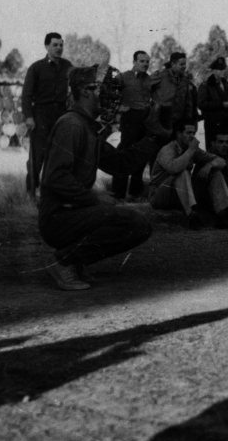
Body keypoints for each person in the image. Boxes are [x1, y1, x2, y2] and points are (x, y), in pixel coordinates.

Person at [38, 65, 159, 291]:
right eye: (104, 89)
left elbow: (120, 164)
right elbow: (56, 177)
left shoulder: (85, 126)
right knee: (134, 223)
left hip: (69, 214)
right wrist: (95, 199)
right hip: (58, 217)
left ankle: (72, 261)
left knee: (136, 223)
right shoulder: (72, 125)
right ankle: (65, 262)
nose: (112, 96)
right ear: (85, 91)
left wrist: (152, 136)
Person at [148, 118, 228, 230]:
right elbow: (174, 168)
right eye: (188, 133)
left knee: (215, 172)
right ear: (179, 134)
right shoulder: (167, 150)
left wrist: (210, 165)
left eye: (193, 133)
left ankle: (222, 216)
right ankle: (192, 217)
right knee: (183, 172)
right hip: (159, 195)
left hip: (180, 194)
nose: (192, 136)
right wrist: (190, 150)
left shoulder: (192, 149)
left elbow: (221, 161)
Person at [22, 32, 73, 195]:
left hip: (61, 115)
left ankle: (52, 193)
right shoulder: (36, 68)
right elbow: (26, 95)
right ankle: (31, 193)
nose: (59, 48)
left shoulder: (67, 66)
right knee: (38, 156)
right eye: (55, 45)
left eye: (61, 45)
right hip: (41, 115)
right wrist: (29, 117)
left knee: (59, 156)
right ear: (46, 46)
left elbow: (76, 87)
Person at [112, 50, 152, 201]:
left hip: (145, 119)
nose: (145, 64)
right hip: (130, 118)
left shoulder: (149, 79)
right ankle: (118, 194)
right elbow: (106, 94)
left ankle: (135, 194)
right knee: (125, 154)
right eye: (142, 61)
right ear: (134, 62)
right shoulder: (123, 77)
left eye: (147, 62)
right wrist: (118, 108)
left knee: (141, 156)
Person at [147, 52, 192, 143]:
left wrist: (188, 119)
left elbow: (188, 101)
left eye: (185, 64)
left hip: (177, 122)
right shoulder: (161, 75)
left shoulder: (184, 80)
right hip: (161, 121)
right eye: (181, 64)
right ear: (173, 64)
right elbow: (145, 87)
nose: (184, 67)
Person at [198, 56, 228, 151]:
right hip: (214, 125)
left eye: (223, 69)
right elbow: (201, 104)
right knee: (214, 151)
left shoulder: (227, 85)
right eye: (219, 70)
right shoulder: (206, 85)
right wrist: (221, 104)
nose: (222, 72)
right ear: (214, 71)